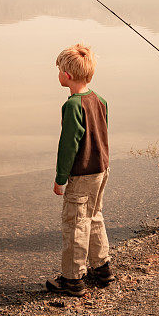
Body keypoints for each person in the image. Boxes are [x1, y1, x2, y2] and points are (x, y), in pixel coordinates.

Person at [45, 43, 115, 296]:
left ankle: (72, 278)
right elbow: (102, 135)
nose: (58, 74)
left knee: (75, 223)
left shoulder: (73, 105)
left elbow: (68, 145)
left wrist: (60, 178)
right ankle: (102, 267)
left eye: (59, 70)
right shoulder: (100, 100)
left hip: (82, 174)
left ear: (67, 75)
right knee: (94, 215)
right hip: (101, 170)